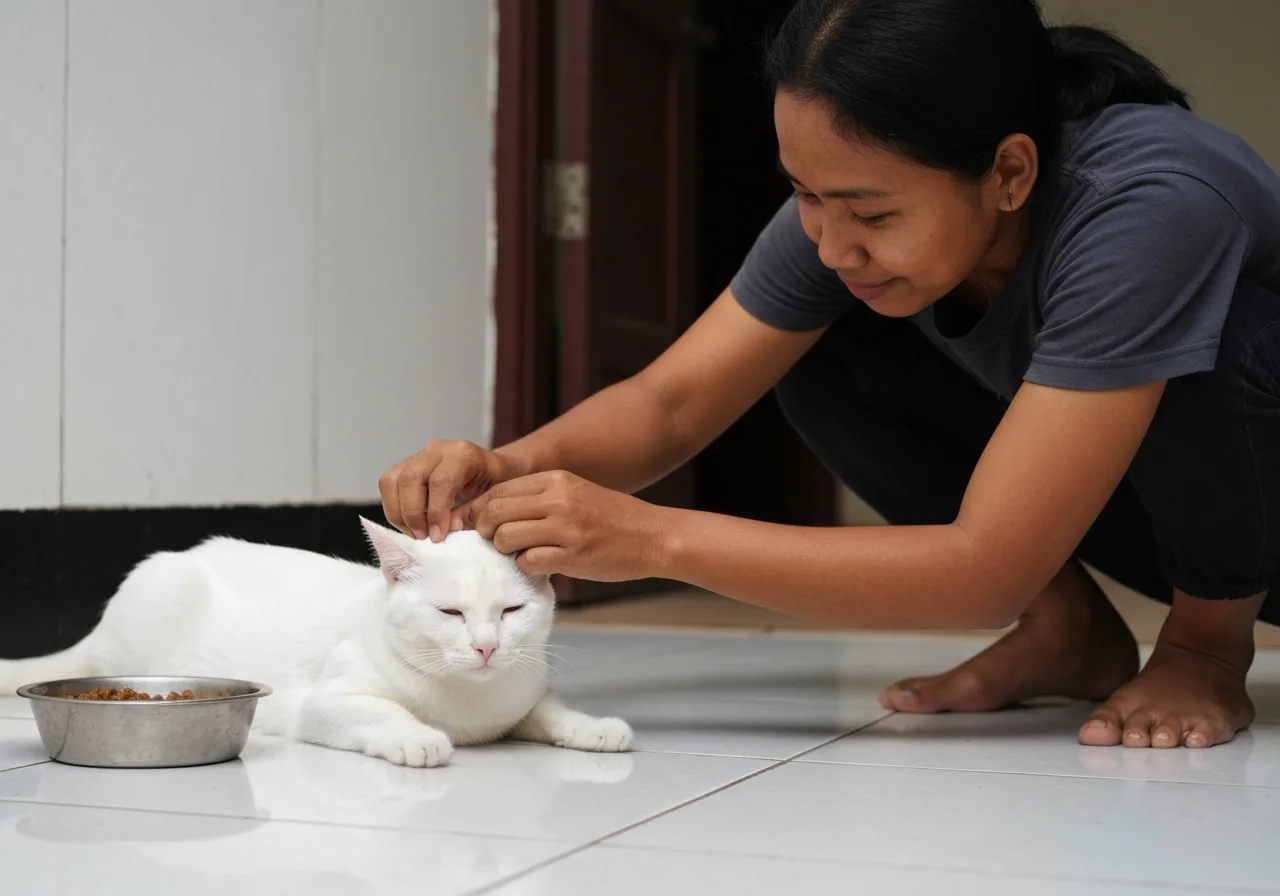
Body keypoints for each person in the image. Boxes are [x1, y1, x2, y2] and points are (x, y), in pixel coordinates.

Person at [380, 0, 1280, 750]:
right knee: (827, 350)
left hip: (1260, 527)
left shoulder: (1148, 202)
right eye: (805, 195)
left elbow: (985, 568)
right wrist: (507, 466)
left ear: (1009, 172)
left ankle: (1206, 647)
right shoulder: (851, 206)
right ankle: (1068, 629)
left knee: (1223, 334)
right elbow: (671, 402)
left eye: (871, 214)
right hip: (1145, 512)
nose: (832, 242)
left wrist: (650, 539)